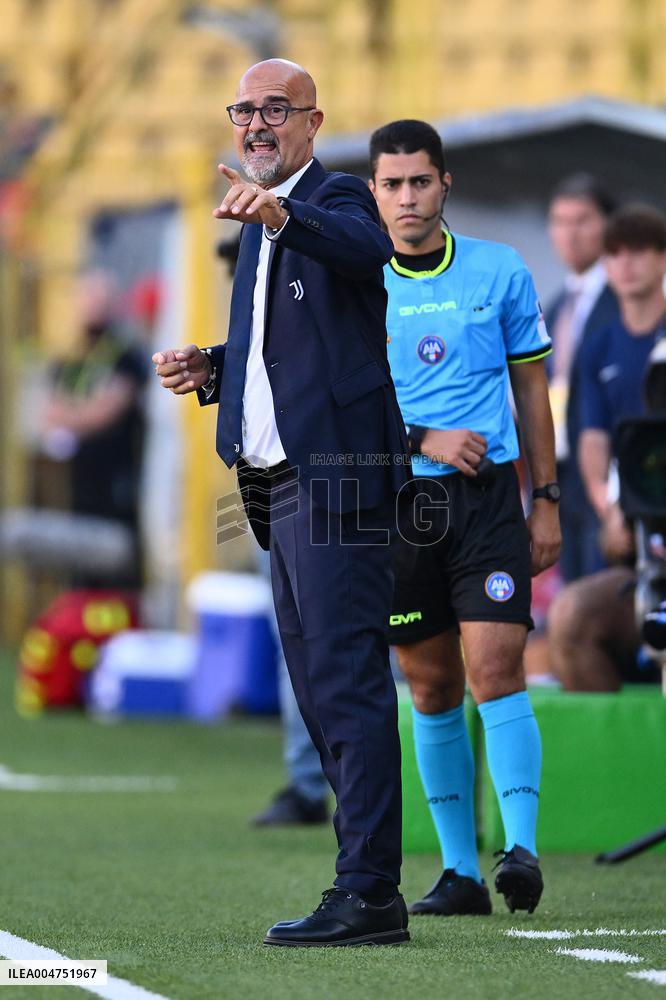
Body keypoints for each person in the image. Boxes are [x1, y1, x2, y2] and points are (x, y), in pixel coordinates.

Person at [153, 59, 412, 947]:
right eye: (245, 110)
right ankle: (363, 878)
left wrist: (281, 212)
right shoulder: (260, 225)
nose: (257, 124)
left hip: (336, 480)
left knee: (347, 686)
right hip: (280, 486)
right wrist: (212, 370)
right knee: (318, 692)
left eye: (276, 110)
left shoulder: (333, 199)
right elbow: (284, 355)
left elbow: (370, 250)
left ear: (311, 121)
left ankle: (371, 891)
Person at [368, 120, 561, 917]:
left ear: (445, 184)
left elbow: (533, 393)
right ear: (374, 193)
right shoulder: (357, 282)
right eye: (392, 184)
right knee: (432, 685)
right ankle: (459, 873)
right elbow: (340, 406)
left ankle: (521, 849)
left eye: (420, 181)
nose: (408, 197)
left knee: (496, 670)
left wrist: (545, 500)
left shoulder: (500, 270)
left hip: (487, 502)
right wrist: (423, 439)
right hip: (397, 504)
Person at [545, 174, 618, 582]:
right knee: (572, 592)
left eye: (582, 220)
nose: (569, 234)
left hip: (609, 469)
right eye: (560, 221)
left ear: (609, 224)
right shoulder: (555, 306)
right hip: (560, 472)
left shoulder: (628, 299)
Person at [577, 203, 666, 524]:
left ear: (663, 257)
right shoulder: (597, 347)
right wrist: (608, 507)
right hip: (627, 504)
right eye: (615, 253)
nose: (625, 264)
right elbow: (594, 435)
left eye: (638, 251)